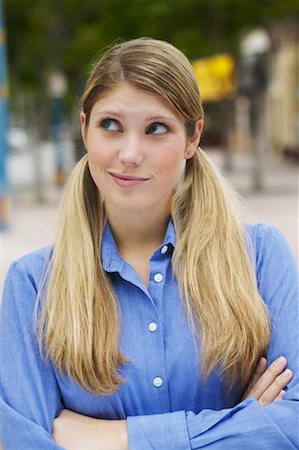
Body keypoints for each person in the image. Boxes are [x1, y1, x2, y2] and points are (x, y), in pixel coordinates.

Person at [0, 37, 298, 450]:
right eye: (111, 126)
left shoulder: (260, 257)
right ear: (85, 129)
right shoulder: (32, 286)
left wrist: (118, 437)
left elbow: (294, 425)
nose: (130, 153)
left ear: (193, 138)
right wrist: (239, 423)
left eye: (156, 129)